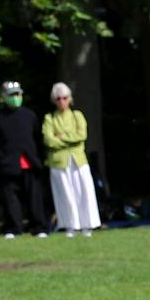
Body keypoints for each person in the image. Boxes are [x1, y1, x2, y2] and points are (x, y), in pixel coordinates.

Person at [0, 81, 51, 238]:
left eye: (18, 94)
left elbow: (38, 138)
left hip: (30, 163)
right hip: (8, 164)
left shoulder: (29, 115)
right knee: (10, 199)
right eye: (12, 95)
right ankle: (13, 228)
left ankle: (38, 227)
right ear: (4, 97)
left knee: (34, 198)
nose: (16, 97)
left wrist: (39, 159)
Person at [43, 82, 100, 237]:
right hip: (58, 162)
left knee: (84, 191)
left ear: (70, 99)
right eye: (58, 98)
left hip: (78, 160)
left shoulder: (77, 116)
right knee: (65, 194)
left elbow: (81, 135)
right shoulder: (49, 118)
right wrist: (70, 138)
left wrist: (61, 137)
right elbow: (49, 140)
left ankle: (87, 226)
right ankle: (70, 226)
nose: (62, 101)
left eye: (65, 97)